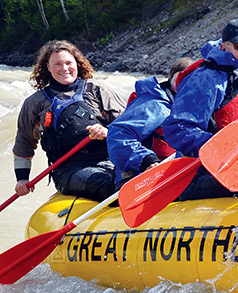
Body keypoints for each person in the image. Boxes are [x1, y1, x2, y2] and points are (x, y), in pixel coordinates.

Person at [161, 18, 238, 199]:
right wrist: (220, 145)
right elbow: (178, 128)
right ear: (224, 47)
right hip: (203, 172)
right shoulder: (207, 78)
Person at [12, 40, 126, 202]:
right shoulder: (35, 102)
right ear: (48, 67)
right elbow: (24, 142)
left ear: (77, 64)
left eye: (68, 63)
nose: (64, 68)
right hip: (69, 170)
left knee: (131, 179)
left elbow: (128, 126)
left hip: (111, 161)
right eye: (57, 64)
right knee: (105, 183)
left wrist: (108, 132)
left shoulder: (97, 89)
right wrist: (22, 179)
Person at [106, 57, 191, 188]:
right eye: (180, 76)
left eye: (189, 78)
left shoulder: (193, 107)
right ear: (171, 77)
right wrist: (146, 160)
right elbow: (117, 134)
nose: (183, 81)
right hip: (140, 177)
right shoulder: (155, 105)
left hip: (173, 174)